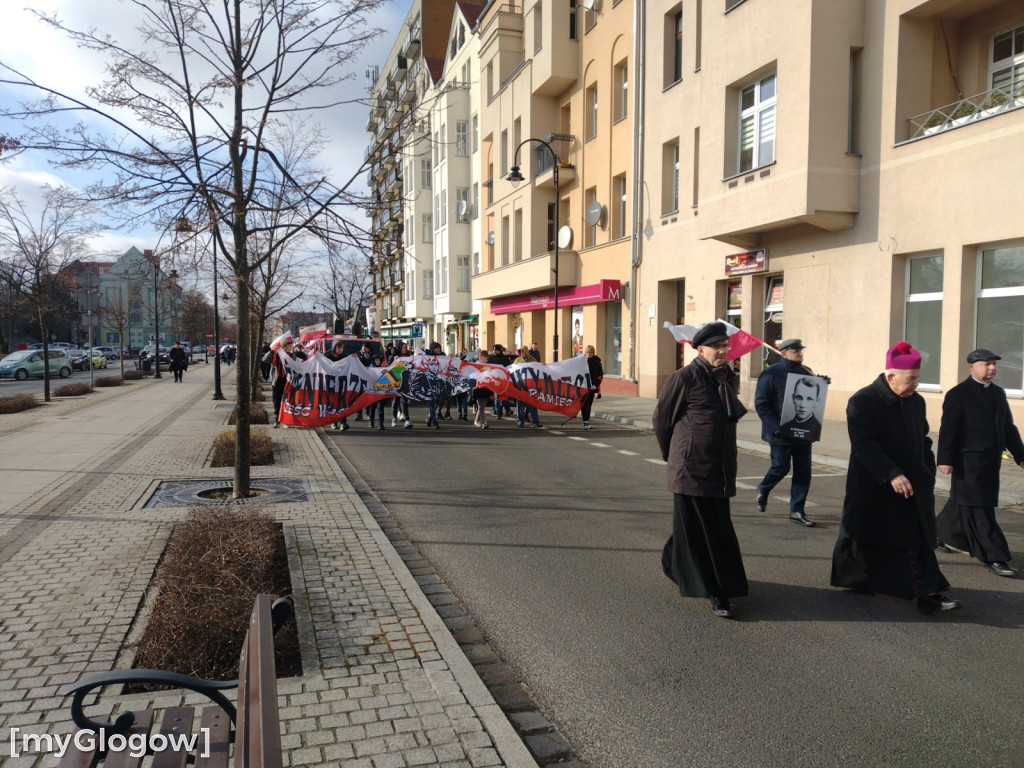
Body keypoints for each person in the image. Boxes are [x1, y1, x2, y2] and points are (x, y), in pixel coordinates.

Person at [830, 341, 961, 614]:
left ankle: (929, 594)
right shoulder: (863, 401)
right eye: (911, 379)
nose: (916, 384)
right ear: (891, 377)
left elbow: (922, 437)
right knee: (862, 532)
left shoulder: (917, 401)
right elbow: (865, 445)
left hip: (912, 484)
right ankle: (856, 578)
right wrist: (892, 474)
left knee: (916, 535)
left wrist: (926, 466)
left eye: (917, 378)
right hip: (873, 483)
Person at [653, 322, 749, 618]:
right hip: (691, 469)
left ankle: (674, 563)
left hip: (720, 468)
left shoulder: (727, 380)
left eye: (725, 346)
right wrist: (675, 456)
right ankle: (716, 591)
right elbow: (662, 420)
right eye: (717, 347)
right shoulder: (684, 377)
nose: (723, 351)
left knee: (703, 527)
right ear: (700, 348)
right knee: (707, 531)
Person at [935, 349, 1024, 577]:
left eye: (994, 364)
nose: (992, 368)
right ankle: (995, 556)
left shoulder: (998, 393)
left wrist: (1020, 455)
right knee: (979, 508)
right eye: (987, 364)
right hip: (967, 462)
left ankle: (937, 533)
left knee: (961, 503)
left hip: (991, 461)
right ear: (971, 366)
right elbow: (949, 429)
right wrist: (945, 459)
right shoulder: (959, 394)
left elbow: (1008, 427)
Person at [754, 339, 821, 526]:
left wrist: (821, 384)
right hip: (779, 432)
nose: (799, 353)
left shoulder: (806, 372)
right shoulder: (770, 374)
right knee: (781, 467)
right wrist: (776, 427)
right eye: (795, 350)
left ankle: (797, 511)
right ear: (783, 353)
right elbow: (762, 404)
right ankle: (764, 488)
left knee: (803, 472)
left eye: (800, 350)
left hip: (803, 431)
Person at [269, 336, 297, 428]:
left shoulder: (292, 355)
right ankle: (276, 418)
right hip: (277, 381)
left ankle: (286, 419)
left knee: (287, 400)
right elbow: (264, 360)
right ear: (284, 347)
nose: (290, 348)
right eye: (288, 346)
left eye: (291, 346)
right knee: (276, 400)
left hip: (288, 381)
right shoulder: (276, 354)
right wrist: (271, 352)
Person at [323, 340, 351, 431]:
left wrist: (354, 358)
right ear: (334, 347)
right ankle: (333, 421)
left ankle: (343, 422)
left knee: (342, 402)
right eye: (339, 347)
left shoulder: (344, 357)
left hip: (340, 383)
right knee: (331, 401)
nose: (340, 349)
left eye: (342, 347)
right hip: (330, 383)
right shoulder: (327, 356)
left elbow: (350, 365)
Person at [513, 346, 543, 428]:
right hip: (520, 386)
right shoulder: (517, 360)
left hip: (530, 386)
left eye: (523, 352)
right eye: (521, 352)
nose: (522, 353)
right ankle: (520, 421)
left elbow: (538, 369)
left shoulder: (532, 360)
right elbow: (513, 371)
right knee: (519, 405)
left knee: (532, 404)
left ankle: (536, 422)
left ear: (526, 352)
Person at [579, 345, 603, 430]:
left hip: (591, 387)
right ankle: (585, 421)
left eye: (590, 352)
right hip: (582, 387)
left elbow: (599, 376)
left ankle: (586, 421)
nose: (588, 354)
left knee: (588, 404)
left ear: (593, 353)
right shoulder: (582, 361)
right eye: (587, 352)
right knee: (584, 404)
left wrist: (595, 385)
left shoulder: (597, 362)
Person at [473, 349, 492, 429]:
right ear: (479, 357)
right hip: (478, 388)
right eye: (481, 356)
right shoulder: (475, 365)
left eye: (485, 356)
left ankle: (476, 421)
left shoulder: (489, 366)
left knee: (482, 406)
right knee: (481, 406)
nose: (483, 358)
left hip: (486, 388)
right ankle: (484, 422)